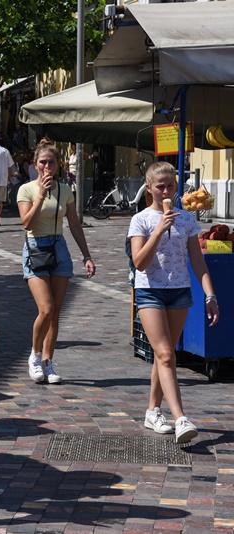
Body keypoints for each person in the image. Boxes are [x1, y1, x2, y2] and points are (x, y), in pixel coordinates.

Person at [127, 161, 219, 444]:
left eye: (169, 185)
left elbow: (197, 260)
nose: (165, 191)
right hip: (150, 292)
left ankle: (153, 410)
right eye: (159, 186)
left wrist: (210, 295)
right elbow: (140, 263)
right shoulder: (140, 219)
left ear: (176, 186)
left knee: (163, 356)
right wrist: (158, 230)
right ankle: (180, 418)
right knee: (167, 355)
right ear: (149, 188)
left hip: (179, 291)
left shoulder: (188, 220)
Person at [17, 138, 96, 385]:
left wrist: (86, 255)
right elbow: (27, 223)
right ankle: (35, 355)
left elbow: (74, 224)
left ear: (58, 165)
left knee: (56, 313)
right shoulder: (26, 189)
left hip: (59, 248)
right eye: (43, 162)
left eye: (51, 162)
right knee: (46, 308)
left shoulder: (65, 190)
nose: (47, 166)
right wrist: (40, 195)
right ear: (35, 164)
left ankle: (48, 362)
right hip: (35, 247)